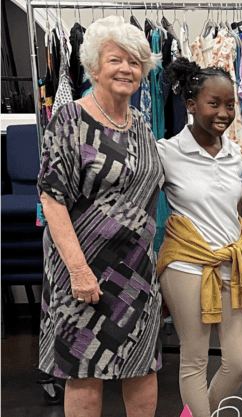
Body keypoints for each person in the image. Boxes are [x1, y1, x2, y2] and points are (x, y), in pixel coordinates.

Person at [36, 15, 163, 417]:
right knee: (84, 367)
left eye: (135, 61)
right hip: (84, 267)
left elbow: (151, 190)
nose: (127, 68)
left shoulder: (141, 123)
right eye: (115, 60)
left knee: (142, 364)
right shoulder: (70, 119)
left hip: (137, 269)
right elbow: (52, 199)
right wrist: (77, 269)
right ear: (93, 67)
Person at [156, 57, 242, 417]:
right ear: (192, 105)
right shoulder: (166, 152)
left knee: (240, 360)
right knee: (194, 360)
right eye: (215, 104)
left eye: (230, 104)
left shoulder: (234, 153)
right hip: (185, 264)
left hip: (232, 264)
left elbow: (235, 208)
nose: (225, 113)